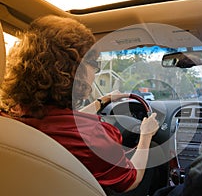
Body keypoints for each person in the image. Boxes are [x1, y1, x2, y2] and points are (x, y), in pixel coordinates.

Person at [0, 15, 160, 195]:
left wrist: (102, 101)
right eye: (93, 64)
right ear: (76, 69)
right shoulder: (90, 137)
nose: (95, 72)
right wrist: (146, 136)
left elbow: (62, 123)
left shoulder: (8, 118)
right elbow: (131, 180)